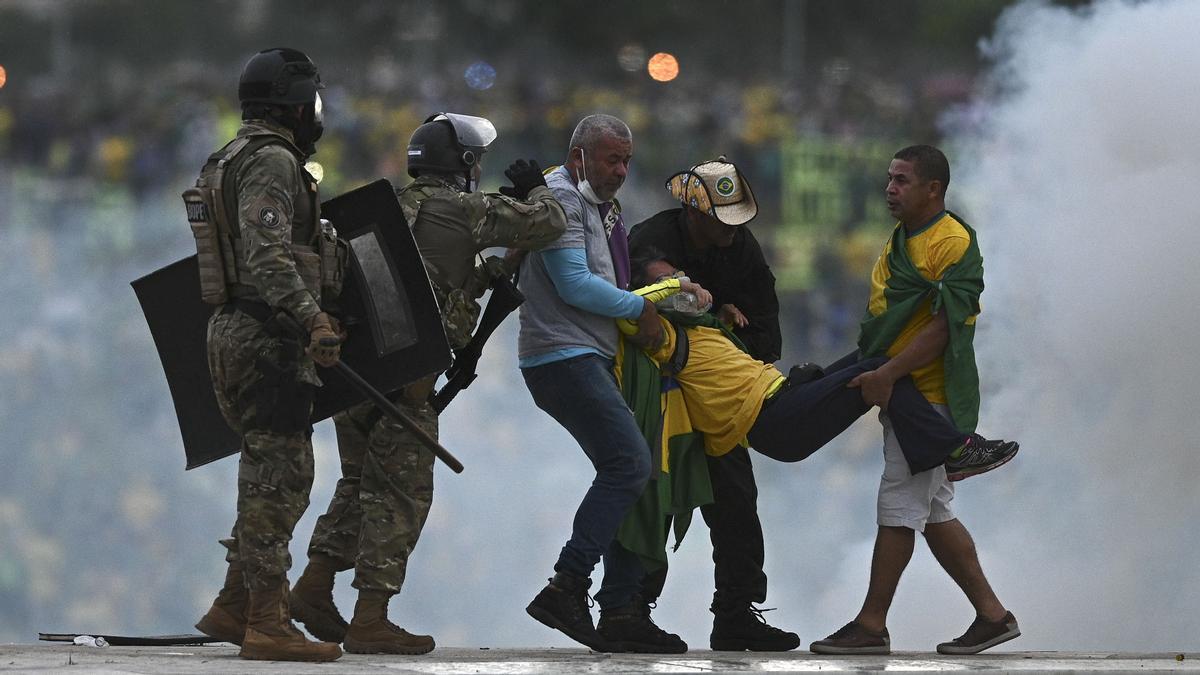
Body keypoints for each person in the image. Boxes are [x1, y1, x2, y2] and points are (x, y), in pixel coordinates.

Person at [287, 113, 567, 654]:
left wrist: (486, 273)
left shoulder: (383, 208)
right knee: (400, 495)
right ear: (463, 164)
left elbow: (428, 279)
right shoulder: (464, 209)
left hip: (357, 377)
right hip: (407, 386)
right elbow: (548, 224)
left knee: (358, 483)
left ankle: (314, 587)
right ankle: (372, 616)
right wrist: (537, 190)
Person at [810, 145, 1020, 655]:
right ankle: (993, 617)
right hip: (899, 386)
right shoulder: (903, 237)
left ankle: (871, 625)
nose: (890, 188)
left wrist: (889, 372)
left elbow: (946, 326)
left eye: (902, 180)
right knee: (934, 515)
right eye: (889, 178)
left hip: (929, 396)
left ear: (934, 189)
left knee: (899, 506)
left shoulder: (952, 241)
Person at [192, 47, 344, 663]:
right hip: (268, 335)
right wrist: (313, 318)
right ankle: (265, 621)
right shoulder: (274, 161)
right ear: (293, 103)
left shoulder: (226, 156)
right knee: (280, 482)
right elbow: (266, 253)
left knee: (264, 475)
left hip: (233, 326)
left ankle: (232, 605)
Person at [517, 113, 687, 653]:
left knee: (625, 470)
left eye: (627, 160)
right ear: (578, 156)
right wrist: (644, 306)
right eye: (612, 158)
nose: (622, 170)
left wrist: (664, 293)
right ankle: (567, 586)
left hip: (585, 356)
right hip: (562, 357)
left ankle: (612, 604)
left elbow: (605, 281)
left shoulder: (594, 205)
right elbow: (574, 286)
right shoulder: (562, 201)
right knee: (629, 465)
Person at [628, 157, 797, 651]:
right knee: (654, 499)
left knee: (737, 501)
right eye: (723, 219)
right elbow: (642, 300)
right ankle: (631, 609)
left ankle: (736, 614)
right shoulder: (651, 239)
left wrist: (726, 329)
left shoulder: (741, 249)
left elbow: (768, 333)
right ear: (693, 212)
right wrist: (706, 311)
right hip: (662, 397)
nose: (734, 229)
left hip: (718, 399)